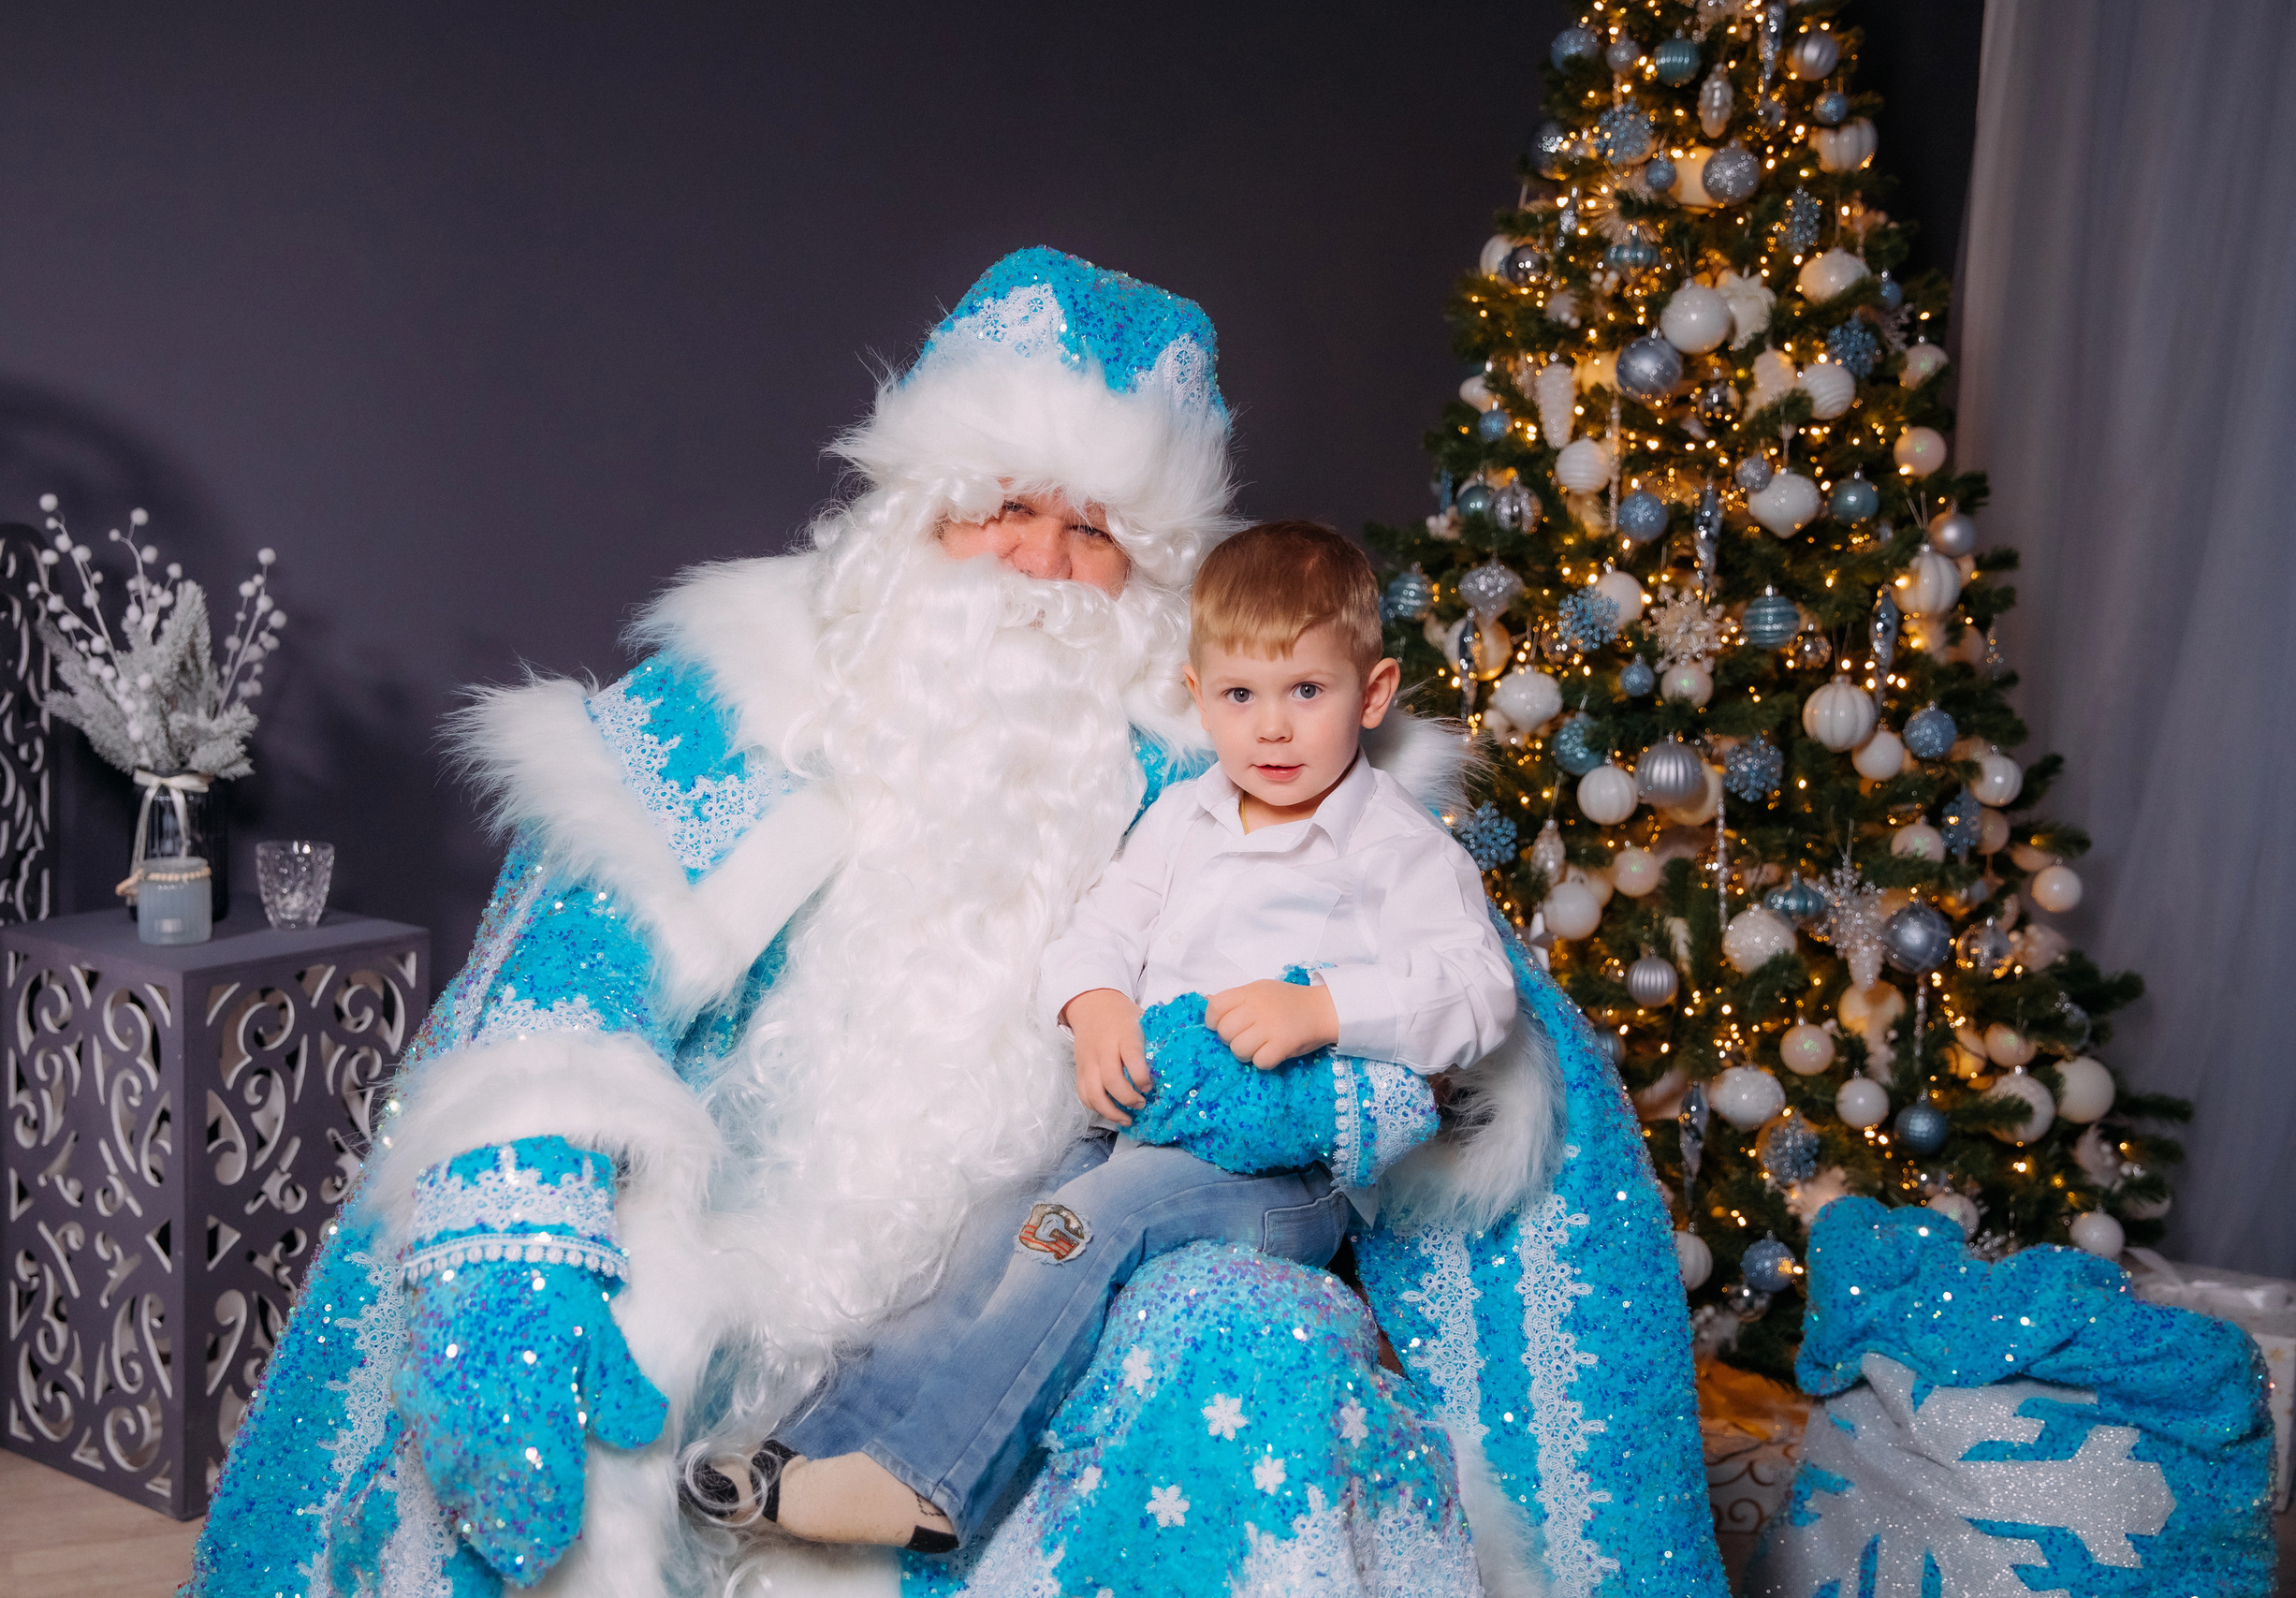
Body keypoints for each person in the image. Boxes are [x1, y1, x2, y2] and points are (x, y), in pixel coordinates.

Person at [183, 244, 1727, 1598]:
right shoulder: (741, 703)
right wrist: (517, 1214)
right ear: (916, 514)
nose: (1046, 567)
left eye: (1098, 533)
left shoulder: (1245, 774)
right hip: (725, 1297)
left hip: (1055, 1333)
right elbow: (564, 979)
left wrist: (1329, 1070)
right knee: (509, 1329)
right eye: (1005, 510)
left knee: (1247, 1343)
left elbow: (1506, 1074)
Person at [697, 521, 1517, 1553]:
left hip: (1283, 1175)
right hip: (1143, 1124)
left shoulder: (1395, 846)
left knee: (1082, 1226)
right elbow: (1098, 931)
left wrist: (1326, 1010)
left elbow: (1478, 991)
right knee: (983, 1240)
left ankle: (929, 1481)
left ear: (1374, 692)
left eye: (1306, 692)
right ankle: (806, 1451)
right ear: (1196, 693)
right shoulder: (1184, 819)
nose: (1272, 730)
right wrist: (1096, 1009)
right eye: (1239, 697)